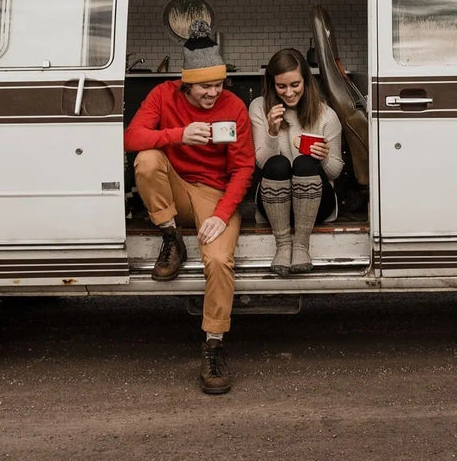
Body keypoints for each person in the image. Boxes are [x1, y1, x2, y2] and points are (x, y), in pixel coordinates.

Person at [123, 20, 254, 395]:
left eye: (219, 84)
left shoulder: (233, 106)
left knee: (217, 260)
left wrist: (221, 212)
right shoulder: (164, 95)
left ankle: (213, 346)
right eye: (205, 86)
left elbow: (244, 167)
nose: (214, 93)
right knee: (147, 159)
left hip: (215, 193)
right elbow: (131, 138)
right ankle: (171, 239)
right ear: (187, 83)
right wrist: (177, 135)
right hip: (176, 187)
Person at [249, 48, 344, 276]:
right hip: (275, 206)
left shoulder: (326, 114)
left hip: (315, 206)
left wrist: (323, 158)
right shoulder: (259, 108)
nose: (289, 93)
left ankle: (301, 245)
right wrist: (272, 132)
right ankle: (283, 245)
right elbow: (263, 164)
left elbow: (336, 172)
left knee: (304, 163)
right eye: (282, 86)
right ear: (272, 84)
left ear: (306, 81)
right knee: (278, 163)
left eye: (295, 85)